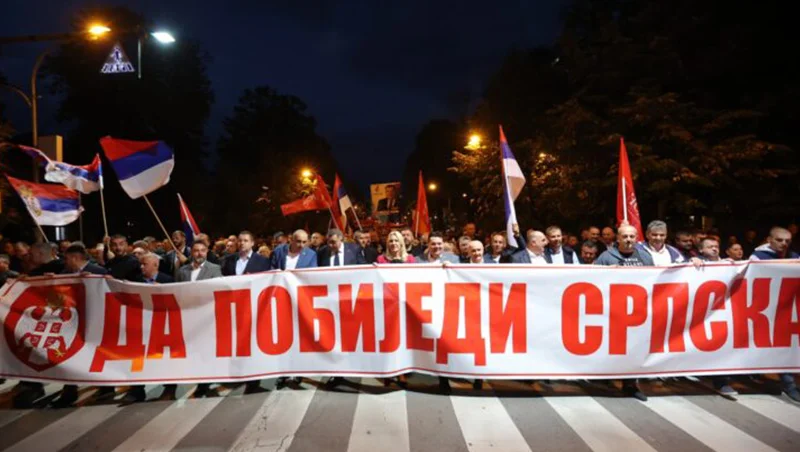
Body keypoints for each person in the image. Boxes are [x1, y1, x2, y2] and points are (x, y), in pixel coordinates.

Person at [50, 244, 109, 408]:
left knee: (96, 355)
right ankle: (69, 390)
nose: (65, 261)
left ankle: (106, 386)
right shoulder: (64, 274)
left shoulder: (99, 272)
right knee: (70, 354)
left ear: (75, 258)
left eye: (67, 258)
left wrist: (92, 281)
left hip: (95, 320)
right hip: (73, 322)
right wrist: (50, 280)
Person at [594, 225, 649, 401]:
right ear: (617, 238)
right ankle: (605, 376)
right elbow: (592, 279)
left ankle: (630, 384)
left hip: (636, 313)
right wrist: (607, 273)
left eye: (632, 236)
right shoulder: (606, 257)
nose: (628, 240)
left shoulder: (645, 257)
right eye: (625, 236)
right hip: (612, 311)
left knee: (633, 349)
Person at [748, 227, 799, 401]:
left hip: (787, 310)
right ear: (769, 240)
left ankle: (789, 384)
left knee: (785, 347)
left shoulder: (794, 257)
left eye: (787, 241)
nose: (784, 244)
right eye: (779, 240)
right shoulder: (757, 258)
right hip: (764, 311)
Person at [175, 241, 223, 398]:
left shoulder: (214, 269)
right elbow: (176, 292)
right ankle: (199, 380)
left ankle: (205, 384)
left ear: (207, 251)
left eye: (203, 251)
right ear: (191, 252)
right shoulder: (182, 271)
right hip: (188, 318)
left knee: (207, 351)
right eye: (196, 251)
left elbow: (220, 290)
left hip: (208, 317)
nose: (199, 254)